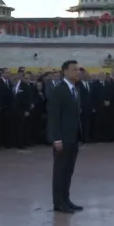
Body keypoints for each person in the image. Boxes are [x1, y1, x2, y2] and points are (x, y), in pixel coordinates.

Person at [47, 60, 83, 214]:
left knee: (68, 171)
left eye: (78, 70)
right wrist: (56, 138)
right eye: (74, 70)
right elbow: (54, 116)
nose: (78, 72)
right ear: (65, 72)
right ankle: (58, 203)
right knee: (60, 171)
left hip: (73, 137)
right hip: (62, 138)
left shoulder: (74, 89)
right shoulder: (58, 90)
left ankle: (66, 200)